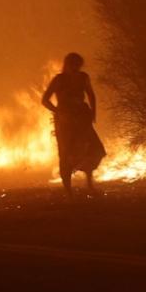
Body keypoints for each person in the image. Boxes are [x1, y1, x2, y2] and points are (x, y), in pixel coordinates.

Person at [42, 53, 106, 196]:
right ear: (67, 65)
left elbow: (91, 94)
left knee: (92, 150)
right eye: (73, 65)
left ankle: (89, 185)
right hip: (66, 123)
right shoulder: (59, 80)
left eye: (78, 65)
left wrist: (93, 113)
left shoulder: (83, 77)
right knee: (66, 154)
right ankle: (68, 191)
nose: (75, 68)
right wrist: (58, 111)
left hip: (82, 119)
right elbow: (45, 100)